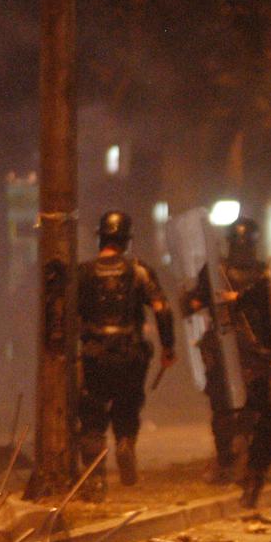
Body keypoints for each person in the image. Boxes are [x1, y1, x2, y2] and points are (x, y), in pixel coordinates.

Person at [75, 211, 176, 500]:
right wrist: (168, 348)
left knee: (92, 418)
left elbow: (67, 315)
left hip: (94, 354)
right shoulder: (139, 270)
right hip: (129, 354)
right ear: (126, 240)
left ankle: (94, 483)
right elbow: (161, 308)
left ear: (101, 238)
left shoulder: (83, 272)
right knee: (127, 407)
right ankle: (125, 442)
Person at [184, 217, 271, 506]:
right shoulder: (265, 273)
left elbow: (193, 304)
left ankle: (228, 458)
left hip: (226, 346)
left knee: (223, 405)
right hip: (254, 350)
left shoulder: (216, 271)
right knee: (255, 404)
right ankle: (241, 455)